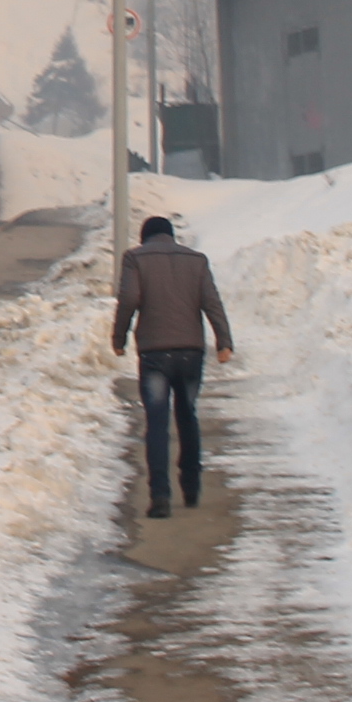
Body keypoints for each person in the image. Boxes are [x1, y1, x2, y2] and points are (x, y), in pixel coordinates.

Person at [111, 213, 233, 518]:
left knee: (157, 422)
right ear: (171, 236)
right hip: (191, 352)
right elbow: (211, 301)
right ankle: (191, 487)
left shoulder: (135, 258)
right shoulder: (196, 260)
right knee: (187, 415)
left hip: (154, 353)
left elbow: (129, 298)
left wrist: (119, 336)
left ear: (145, 237)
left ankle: (160, 496)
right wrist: (224, 341)